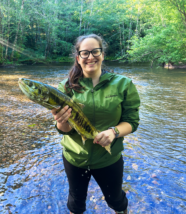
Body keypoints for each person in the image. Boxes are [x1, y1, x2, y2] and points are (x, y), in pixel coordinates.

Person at [51, 34, 140, 214]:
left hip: (109, 159)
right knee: (75, 203)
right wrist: (61, 121)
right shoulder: (65, 88)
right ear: (78, 58)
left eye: (95, 51)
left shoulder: (123, 85)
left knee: (116, 200)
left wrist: (114, 132)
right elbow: (64, 130)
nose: (90, 57)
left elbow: (132, 122)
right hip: (74, 157)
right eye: (85, 53)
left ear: (103, 54)